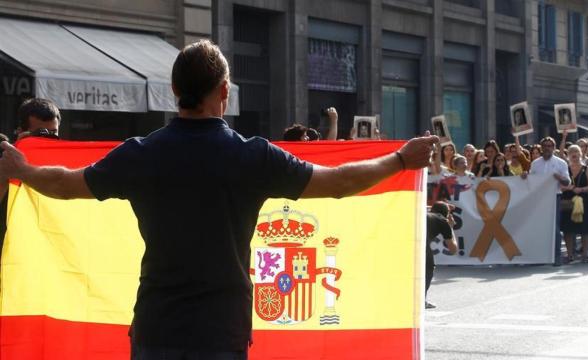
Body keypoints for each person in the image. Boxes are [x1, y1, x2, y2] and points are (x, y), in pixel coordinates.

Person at [0, 39, 439, 359]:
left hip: (157, 326)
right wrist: (400, 159)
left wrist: (22, 169)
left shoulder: (141, 154)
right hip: (221, 331)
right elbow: (340, 182)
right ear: (223, 92)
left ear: (175, 91)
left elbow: (65, 185)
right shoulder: (251, 156)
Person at [0, 98, 62, 250]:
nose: (47, 138)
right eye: (41, 133)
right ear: (21, 132)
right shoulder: (7, 160)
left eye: (53, 133)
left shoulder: (63, 163)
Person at [524, 137, 570, 266]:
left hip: (554, 197)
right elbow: (531, 180)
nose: (547, 148)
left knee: (554, 228)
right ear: (541, 147)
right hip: (539, 199)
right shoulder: (535, 163)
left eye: (550, 146)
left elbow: (567, 182)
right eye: (545, 146)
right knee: (539, 227)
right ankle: (540, 256)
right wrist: (524, 176)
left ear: (554, 148)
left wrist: (559, 177)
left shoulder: (561, 163)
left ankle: (556, 256)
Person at [559, 145, 588, 263]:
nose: (574, 154)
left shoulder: (587, 169)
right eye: (571, 152)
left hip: (583, 200)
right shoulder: (565, 169)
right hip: (568, 200)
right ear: (568, 155)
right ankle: (570, 255)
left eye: (576, 151)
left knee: (586, 228)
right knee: (568, 229)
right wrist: (566, 187)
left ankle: (585, 255)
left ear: (580, 154)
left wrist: (582, 189)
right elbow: (559, 185)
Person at [425, 201, 458, 309]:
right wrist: (451, 226)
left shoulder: (423, 213)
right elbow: (453, 249)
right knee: (428, 268)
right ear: (447, 214)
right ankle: (421, 300)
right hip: (421, 245)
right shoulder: (443, 221)